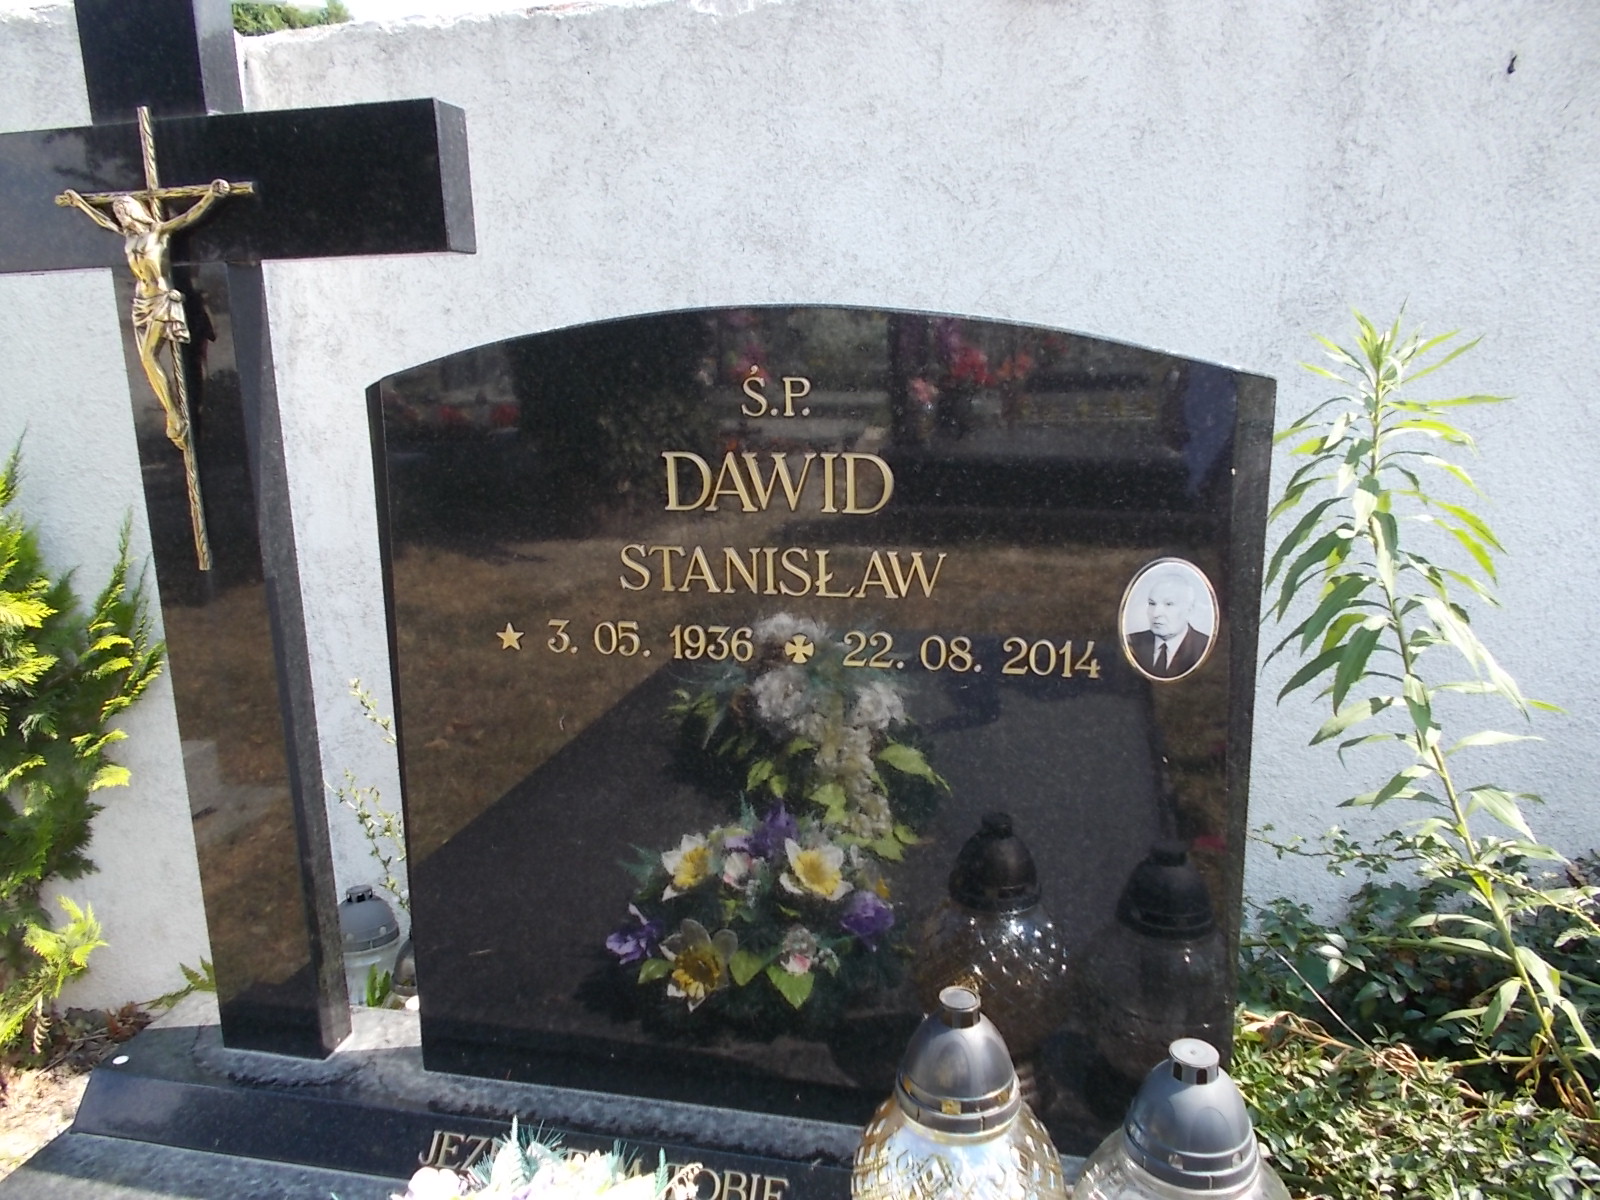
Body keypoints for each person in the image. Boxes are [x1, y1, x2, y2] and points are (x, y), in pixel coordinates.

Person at [1125, 571, 1211, 679]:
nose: (1156, 613)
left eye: (1169, 604)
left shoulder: (1204, 647)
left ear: (1189, 610)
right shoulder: (1132, 643)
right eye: (1152, 603)